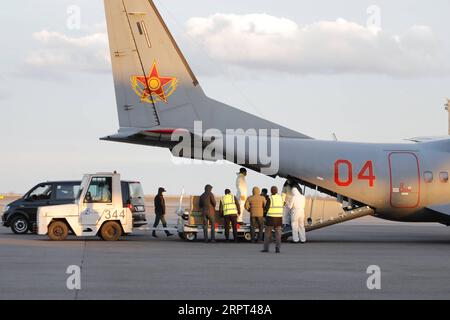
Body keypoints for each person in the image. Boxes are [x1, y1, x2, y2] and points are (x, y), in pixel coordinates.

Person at [262, 186, 284, 253]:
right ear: (277, 191)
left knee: (267, 234)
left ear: (271, 191)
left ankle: (266, 249)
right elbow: (283, 205)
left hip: (271, 218)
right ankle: (277, 248)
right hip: (279, 218)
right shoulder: (280, 198)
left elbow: (266, 208)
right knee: (278, 234)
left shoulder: (270, 198)